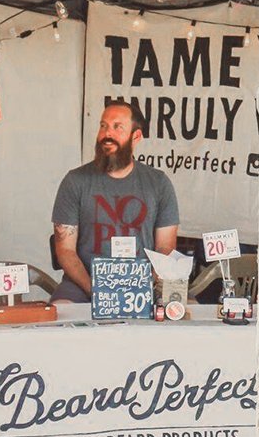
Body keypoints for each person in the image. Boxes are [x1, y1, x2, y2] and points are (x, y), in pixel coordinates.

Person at [51, 101, 179, 303]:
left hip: (145, 283)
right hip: (84, 283)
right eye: (103, 126)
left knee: (187, 312)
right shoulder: (75, 181)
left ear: (136, 137)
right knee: (61, 312)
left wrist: (143, 287)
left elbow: (165, 247)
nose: (106, 134)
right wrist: (95, 290)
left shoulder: (158, 183)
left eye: (117, 127)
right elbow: (65, 250)